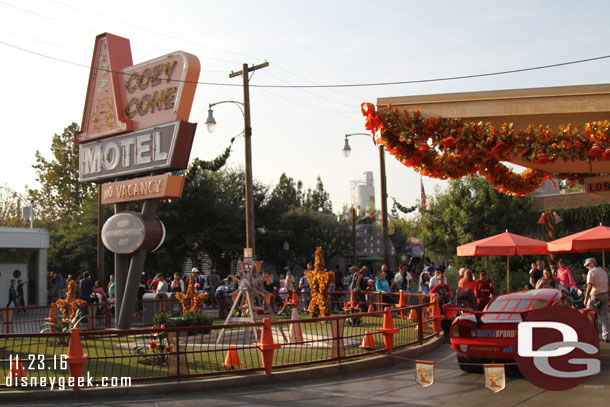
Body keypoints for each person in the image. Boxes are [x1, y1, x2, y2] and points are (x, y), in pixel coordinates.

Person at [583, 258, 609, 343]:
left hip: (595, 296)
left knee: (590, 315)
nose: (587, 267)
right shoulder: (603, 272)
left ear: (592, 264)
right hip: (604, 295)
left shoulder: (591, 272)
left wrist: (586, 298)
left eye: (587, 265)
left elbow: (589, 285)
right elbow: (607, 285)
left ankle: (590, 335)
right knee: (604, 317)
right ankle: (606, 336)